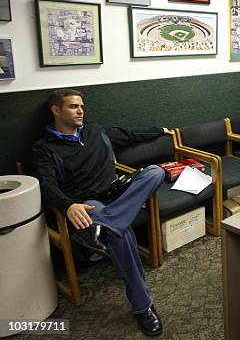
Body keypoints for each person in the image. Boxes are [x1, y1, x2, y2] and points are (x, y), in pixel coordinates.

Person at [31, 89, 171, 336]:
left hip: (117, 191)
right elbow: (46, 185)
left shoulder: (95, 130)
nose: (81, 110)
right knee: (120, 233)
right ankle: (143, 306)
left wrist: (160, 130)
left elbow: (129, 135)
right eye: (74, 106)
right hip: (87, 203)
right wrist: (68, 206)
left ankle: (101, 227)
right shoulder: (44, 148)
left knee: (155, 172)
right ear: (56, 110)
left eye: (82, 106)